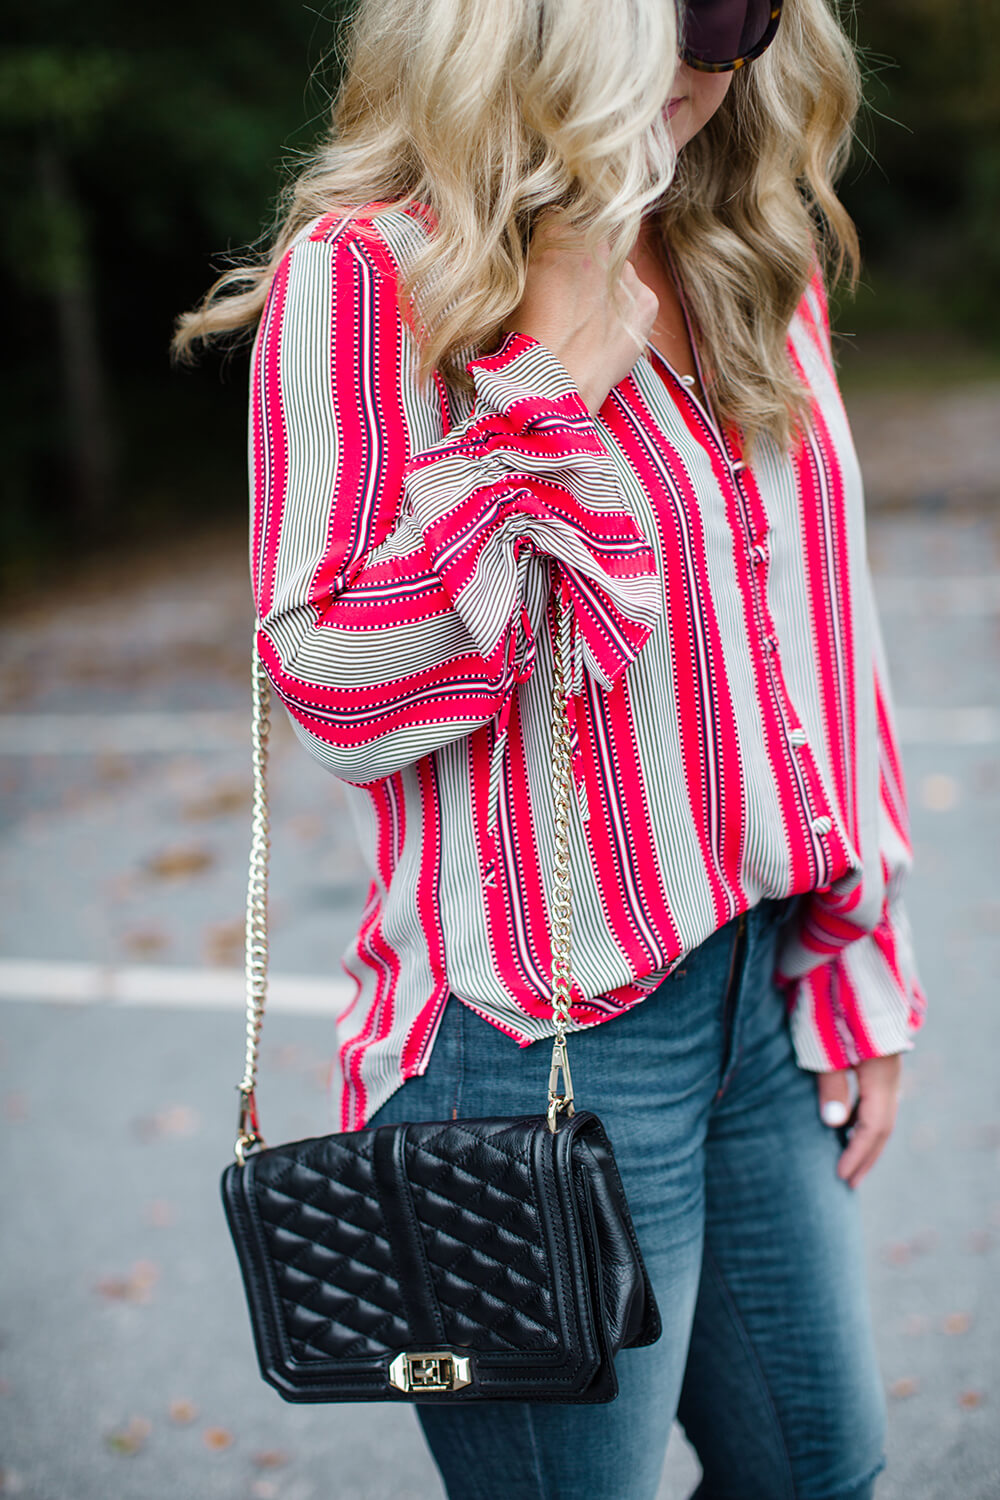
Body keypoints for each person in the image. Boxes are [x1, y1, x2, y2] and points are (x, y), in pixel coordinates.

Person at [174, 0, 927, 1494]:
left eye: (749, 15)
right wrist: (541, 398)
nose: (719, 59)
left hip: (756, 1000)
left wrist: (860, 951)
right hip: (529, 1046)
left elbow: (828, 634)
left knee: (820, 1472)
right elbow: (335, 690)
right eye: (688, 16)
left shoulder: (746, 253)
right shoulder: (373, 279)